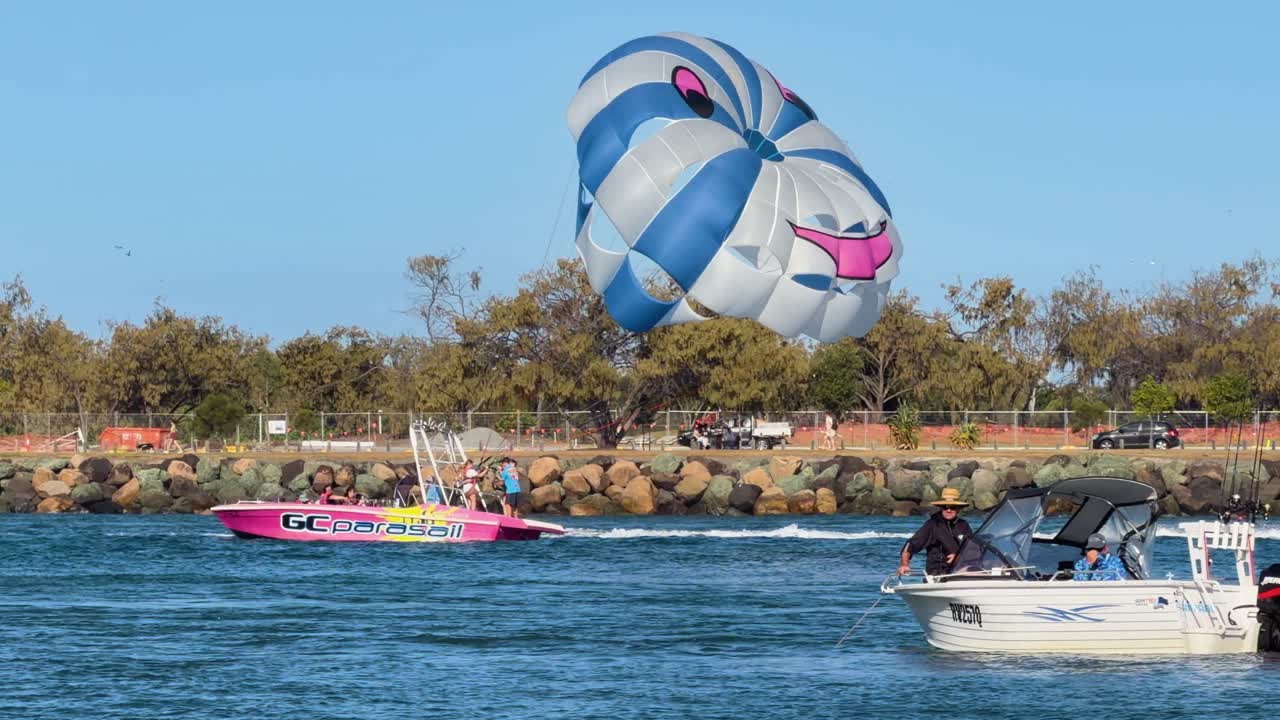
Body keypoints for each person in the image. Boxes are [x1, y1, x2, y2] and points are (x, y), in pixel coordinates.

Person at [898, 488, 974, 577]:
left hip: (961, 568)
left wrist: (959, 556)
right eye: (945, 507)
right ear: (941, 508)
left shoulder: (963, 524)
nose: (949, 510)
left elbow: (971, 547)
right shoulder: (932, 525)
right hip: (938, 573)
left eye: (952, 507)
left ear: (958, 509)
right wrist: (904, 565)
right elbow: (911, 545)